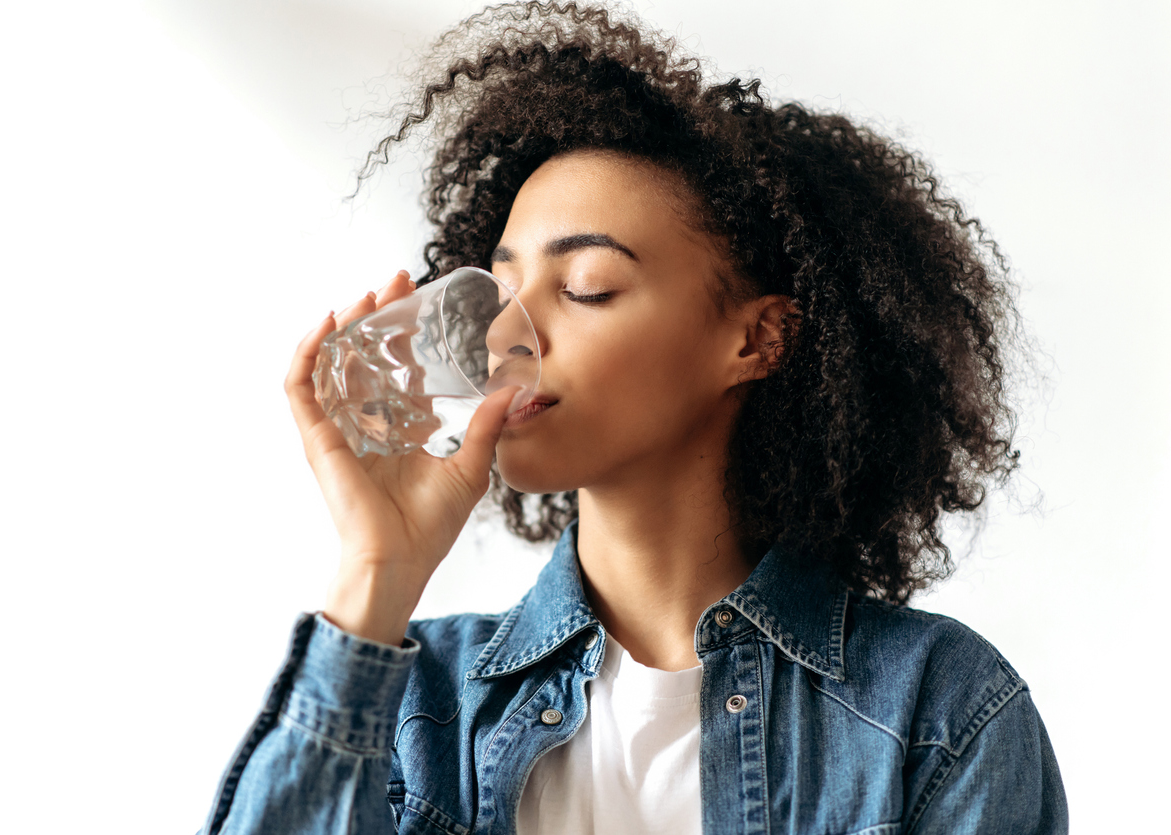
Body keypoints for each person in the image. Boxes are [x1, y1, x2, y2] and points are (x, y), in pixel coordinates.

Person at [200, 3, 1067, 833]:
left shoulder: (942, 713)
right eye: (498, 289)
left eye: (586, 288)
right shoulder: (417, 706)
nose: (506, 331)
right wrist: (375, 574)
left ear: (758, 339)